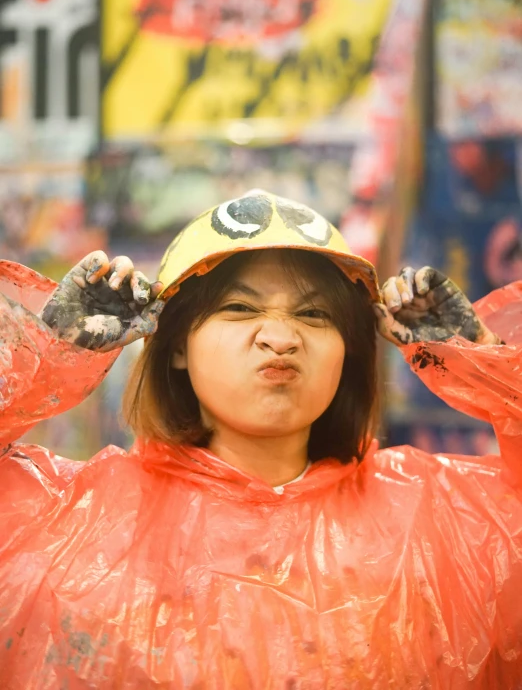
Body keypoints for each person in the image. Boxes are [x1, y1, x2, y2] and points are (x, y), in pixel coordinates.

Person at [0, 190, 521, 689]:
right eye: (240, 309)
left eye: (314, 314)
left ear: (350, 352)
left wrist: (485, 361)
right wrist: (47, 352)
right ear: (177, 345)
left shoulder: (443, 518)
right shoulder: (71, 521)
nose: (280, 337)